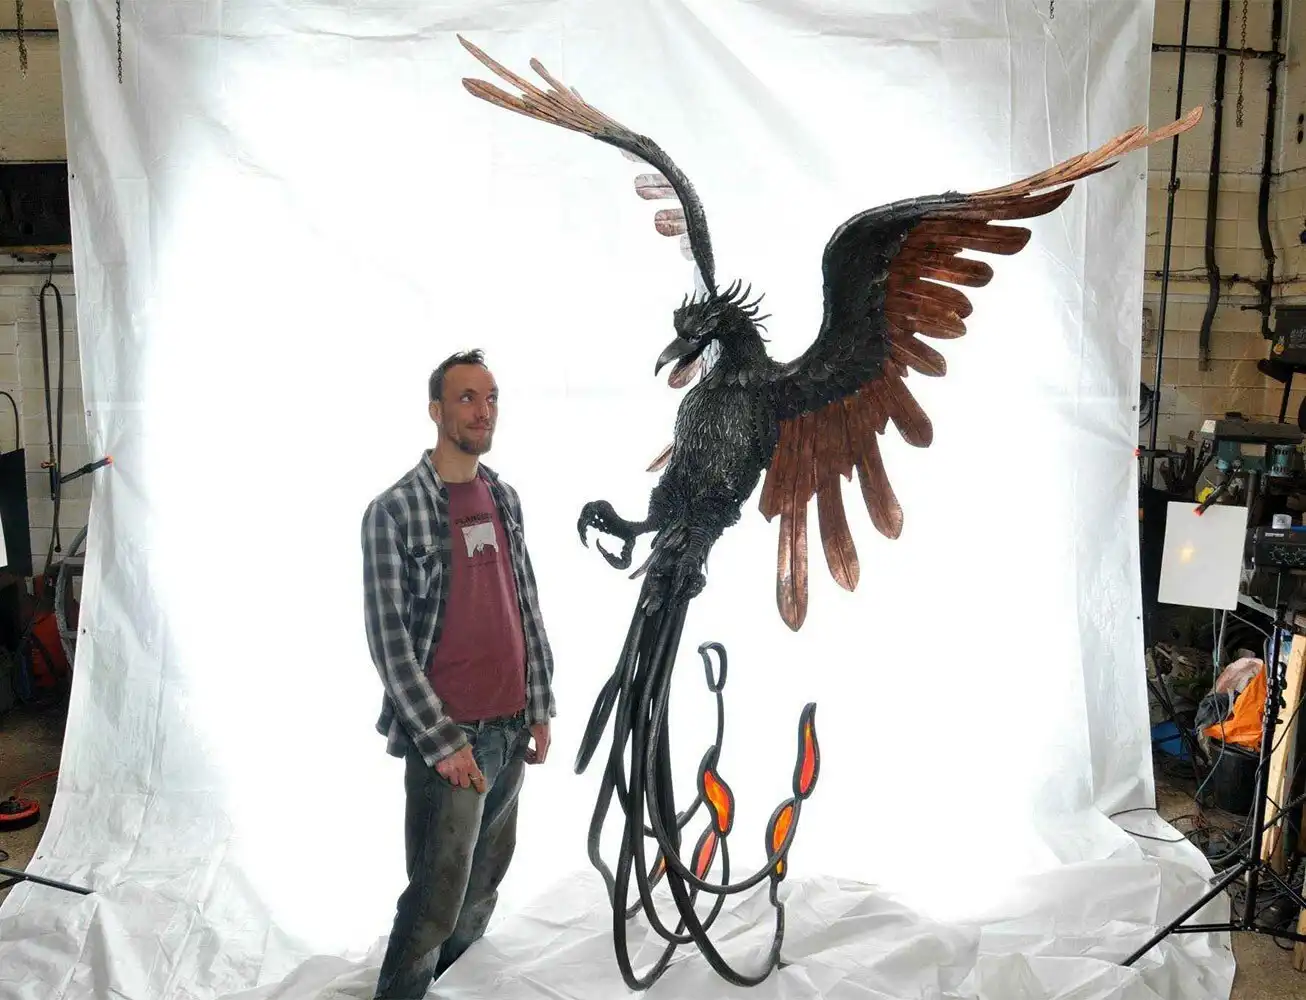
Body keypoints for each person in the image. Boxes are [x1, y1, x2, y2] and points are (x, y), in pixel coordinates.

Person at [362, 349, 556, 998]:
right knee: (435, 902)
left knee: (480, 892)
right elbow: (389, 643)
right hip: (452, 741)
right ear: (435, 411)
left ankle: (447, 988)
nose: (483, 410)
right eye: (467, 397)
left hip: (510, 729)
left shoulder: (503, 497)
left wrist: (539, 704)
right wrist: (444, 744)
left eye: (491, 397)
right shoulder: (395, 510)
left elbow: (524, 604)